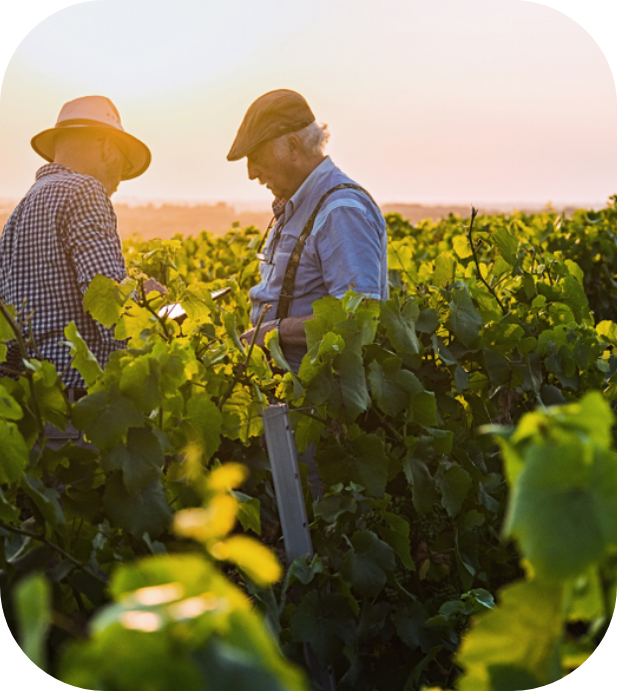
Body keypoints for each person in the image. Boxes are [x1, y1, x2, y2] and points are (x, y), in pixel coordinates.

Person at [0, 95, 164, 402]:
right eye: (123, 162)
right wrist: (148, 301)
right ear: (106, 146)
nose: (120, 177)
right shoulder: (85, 190)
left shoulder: (17, 214)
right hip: (80, 405)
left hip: (34, 408)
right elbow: (106, 302)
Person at [228, 89, 389, 372]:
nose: (251, 172)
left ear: (292, 146)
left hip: (319, 405)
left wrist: (272, 332)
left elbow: (358, 318)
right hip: (288, 393)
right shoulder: (300, 203)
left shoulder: (341, 211)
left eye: (255, 156)